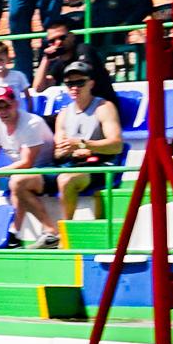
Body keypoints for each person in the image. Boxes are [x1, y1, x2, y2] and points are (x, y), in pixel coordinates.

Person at [0, 86, 61, 248]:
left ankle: (46, 232)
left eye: (7, 105)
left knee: (17, 180)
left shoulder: (32, 123)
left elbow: (27, 163)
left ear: (16, 103)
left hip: (49, 170)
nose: (4, 110)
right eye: (0, 107)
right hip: (23, 172)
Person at [48, 60, 125, 222]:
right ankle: (47, 233)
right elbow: (57, 152)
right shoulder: (63, 114)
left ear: (91, 83)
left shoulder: (104, 108)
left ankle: (66, 236)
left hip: (100, 166)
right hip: (72, 165)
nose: (74, 87)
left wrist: (84, 145)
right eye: (69, 83)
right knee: (21, 181)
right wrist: (64, 151)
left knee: (65, 179)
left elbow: (117, 145)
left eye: (80, 82)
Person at [30, 14, 105, 93]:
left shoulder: (83, 49)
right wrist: (46, 59)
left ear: (72, 36)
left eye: (62, 38)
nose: (58, 42)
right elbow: (38, 88)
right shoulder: (60, 64)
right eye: (52, 41)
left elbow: (84, 74)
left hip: (102, 102)